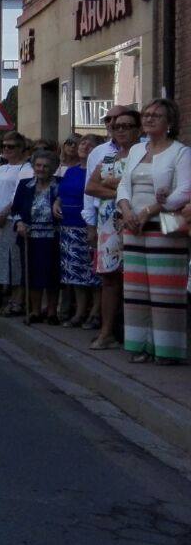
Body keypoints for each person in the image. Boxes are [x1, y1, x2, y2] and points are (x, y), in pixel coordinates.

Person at [115, 99, 191, 364]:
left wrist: (150, 210)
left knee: (164, 291)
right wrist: (126, 211)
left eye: (155, 115)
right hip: (134, 226)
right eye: (146, 115)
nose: (148, 119)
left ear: (169, 122)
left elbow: (185, 189)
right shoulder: (136, 150)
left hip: (164, 227)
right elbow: (124, 185)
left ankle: (167, 351)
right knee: (136, 290)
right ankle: (141, 346)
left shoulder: (180, 152)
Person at [86, 109, 139, 349]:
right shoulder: (109, 158)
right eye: (117, 126)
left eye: (127, 126)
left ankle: (135, 333)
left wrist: (114, 187)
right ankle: (106, 332)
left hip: (134, 220)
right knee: (109, 277)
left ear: (137, 129)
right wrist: (120, 192)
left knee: (136, 278)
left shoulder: (144, 155)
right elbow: (91, 187)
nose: (121, 131)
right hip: (108, 225)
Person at [11, 149, 63, 325]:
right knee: (32, 274)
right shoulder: (25, 185)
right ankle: (34, 311)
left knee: (52, 274)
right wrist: (19, 223)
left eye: (46, 166)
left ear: (54, 168)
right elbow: (16, 209)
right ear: (33, 166)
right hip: (30, 236)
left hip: (53, 237)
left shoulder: (60, 184)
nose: (41, 169)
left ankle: (51, 312)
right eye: (38, 165)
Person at [0, 133, 34, 317]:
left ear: (21, 149)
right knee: (3, 261)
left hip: (12, 219)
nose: (7, 149)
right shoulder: (1, 168)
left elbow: (19, 195)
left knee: (15, 261)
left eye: (12, 146)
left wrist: (4, 213)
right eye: (4, 146)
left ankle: (18, 300)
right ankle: (10, 298)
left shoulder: (26, 168)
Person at [58, 135, 100, 328]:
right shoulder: (71, 171)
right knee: (75, 273)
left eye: (91, 144)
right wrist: (56, 203)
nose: (84, 146)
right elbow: (62, 193)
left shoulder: (97, 172)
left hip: (89, 227)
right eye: (82, 142)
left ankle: (95, 312)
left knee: (94, 273)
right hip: (69, 226)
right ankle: (80, 311)